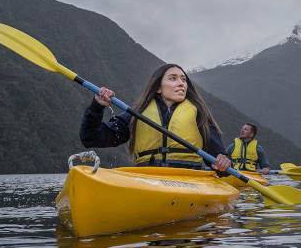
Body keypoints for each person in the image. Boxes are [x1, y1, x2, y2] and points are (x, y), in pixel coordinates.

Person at [79, 63, 231, 172]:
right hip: (148, 178)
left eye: (183, 79)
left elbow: (218, 162)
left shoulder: (199, 115)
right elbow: (91, 138)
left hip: (189, 180)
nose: (181, 83)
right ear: (158, 87)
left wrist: (222, 162)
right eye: (173, 78)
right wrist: (97, 106)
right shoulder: (137, 114)